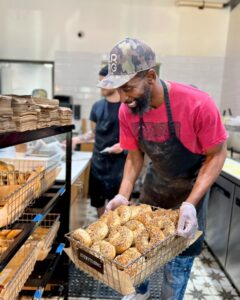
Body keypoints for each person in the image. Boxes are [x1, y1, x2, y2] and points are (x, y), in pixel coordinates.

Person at [98, 38, 228, 300]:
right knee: (140, 254)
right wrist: (123, 195)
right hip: (154, 188)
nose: (123, 98)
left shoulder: (197, 104)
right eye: (118, 90)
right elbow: (134, 157)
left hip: (191, 191)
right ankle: (140, 293)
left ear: (150, 76)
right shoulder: (128, 111)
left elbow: (217, 155)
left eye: (128, 88)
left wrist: (190, 204)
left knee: (178, 262)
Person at [73, 65, 127, 217]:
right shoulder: (97, 106)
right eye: (99, 81)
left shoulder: (127, 107)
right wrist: (78, 139)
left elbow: (136, 137)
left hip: (119, 165)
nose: (101, 86)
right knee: (98, 202)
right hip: (98, 162)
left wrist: (123, 146)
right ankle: (101, 223)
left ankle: (112, 228)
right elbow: (95, 132)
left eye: (105, 82)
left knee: (116, 204)